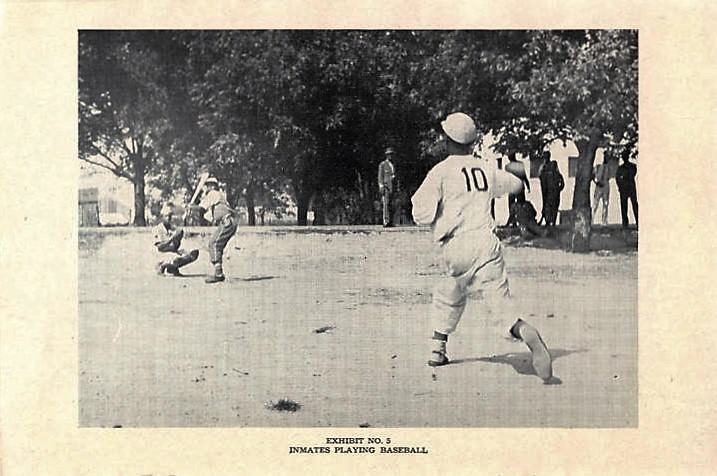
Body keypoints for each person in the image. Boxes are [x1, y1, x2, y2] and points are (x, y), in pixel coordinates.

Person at [411, 112, 553, 383]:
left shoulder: (440, 171)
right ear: (472, 142)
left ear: (447, 140)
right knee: (499, 305)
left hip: (455, 246)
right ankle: (522, 329)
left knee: (448, 292)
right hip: (486, 243)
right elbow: (513, 184)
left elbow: (422, 213)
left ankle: (437, 349)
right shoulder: (485, 167)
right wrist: (514, 174)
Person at [196, 177, 238, 283]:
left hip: (227, 222)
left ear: (212, 186)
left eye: (207, 185)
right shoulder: (219, 197)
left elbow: (201, 208)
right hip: (229, 222)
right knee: (216, 245)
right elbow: (207, 217)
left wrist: (191, 207)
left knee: (213, 244)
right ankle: (218, 272)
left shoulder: (213, 193)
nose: (206, 188)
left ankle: (218, 274)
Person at [153, 205, 199, 276]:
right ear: (162, 216)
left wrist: (178, 239)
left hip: (171, 251)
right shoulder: (158, 229)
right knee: (176, 259)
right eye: (166, 216)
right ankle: (162, 266)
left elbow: (177, 242)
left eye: (170, 216)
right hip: (161, 253)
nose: (169, 218)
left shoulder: (172, 227)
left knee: (192, 254)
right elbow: (160, 247)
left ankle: (172, 268)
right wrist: (171, 239)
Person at [504, 154, 530, 227]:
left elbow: (507, 178)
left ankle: (513, 221)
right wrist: (528, 185)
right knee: (521, 204)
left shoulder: (508, 166)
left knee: (512, 205)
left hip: (512, 187)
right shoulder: (520, 164)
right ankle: (521, 221)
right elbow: (524, 176)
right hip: (519, 186)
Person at [615, 149, 638, 229]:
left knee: (634, 205)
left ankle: (637, 221)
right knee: (624, 206)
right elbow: (617, 178)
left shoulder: (632, 166)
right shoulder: (621, 168)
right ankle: (625, 223)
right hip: (625, 188)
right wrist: (620, 186)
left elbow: (632, 175)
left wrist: (622, 181)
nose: (624, 158)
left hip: (629, 187)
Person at [540, 160, 565, 231]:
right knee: (552, 208)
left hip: (552, 195)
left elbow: (562, 184)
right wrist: (558, 189)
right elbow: (562, 185)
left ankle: (550, 223)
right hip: (553, 195)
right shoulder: (555, 175)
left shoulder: (554, 175)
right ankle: (550, 223)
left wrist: (558, 189)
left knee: (552, 208)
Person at [378, 148, 396, 227]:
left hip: (392, 187)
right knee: (386, 204)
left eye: (391, 154)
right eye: (389, 154)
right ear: (386, 155)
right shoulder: (383, 164)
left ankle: (391, 221)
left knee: (391, 204)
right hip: (386, 187)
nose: (390, 156)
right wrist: (381, 186)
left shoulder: (394, 165)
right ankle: (386, 221)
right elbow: (380, 176)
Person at [592, 156, 611, 226]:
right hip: (598, 187)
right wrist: (597, 182)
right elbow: (593, 176)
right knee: (595, 204)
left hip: (605, 187)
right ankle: (591, 220)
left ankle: (604, 221)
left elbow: (608, 177)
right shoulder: (598, 166)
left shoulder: (608, 167)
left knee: (605, 204)